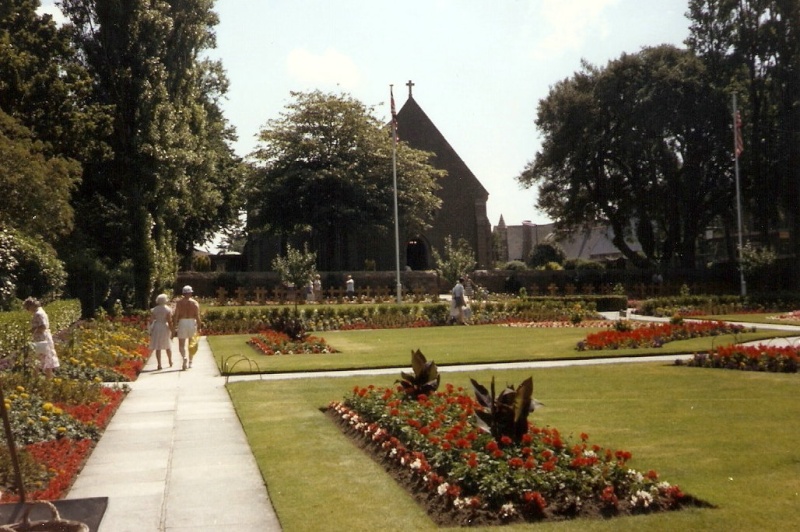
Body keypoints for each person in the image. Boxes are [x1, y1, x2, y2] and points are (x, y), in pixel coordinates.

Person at [23, 297, 60, 378]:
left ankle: (37, 378)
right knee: (46, 359)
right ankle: (48, 378)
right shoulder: (41, 312)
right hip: (45, 338)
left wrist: (33, 330)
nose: (28, 310)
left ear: (31, 306)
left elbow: (43, 326)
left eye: (27, 308)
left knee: (37, 358)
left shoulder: (38, 314)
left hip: (41, 339)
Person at [173, 285, 202, 370]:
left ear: (183, 293)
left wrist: (174, 326)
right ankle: (190, 362)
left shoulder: (179, 303)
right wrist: (200, 326)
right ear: (190, 293)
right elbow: (197, 316)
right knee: (191, 344)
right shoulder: (194, 303)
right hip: (191, 322)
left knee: (181, 344)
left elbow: (176, 316)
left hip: (182, 322)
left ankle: (184, 357)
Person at [149, 293, 173, 370]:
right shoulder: (167, 309)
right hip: (164, 326)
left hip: (157, 326)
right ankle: (170, 361)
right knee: (167, 345)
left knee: (158, 347)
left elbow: (151, 320)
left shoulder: (154, 309)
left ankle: (159, 364)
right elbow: (169, 321)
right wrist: (172, 330)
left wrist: (150, 328)